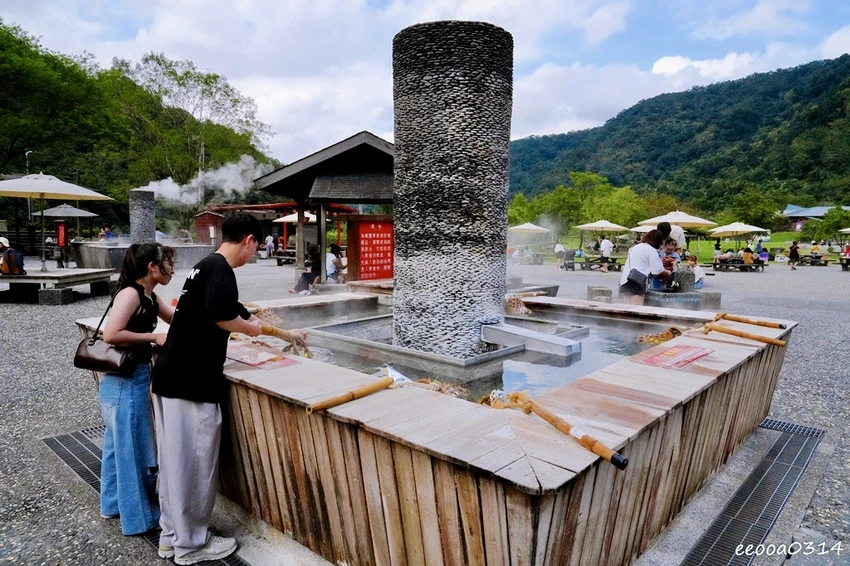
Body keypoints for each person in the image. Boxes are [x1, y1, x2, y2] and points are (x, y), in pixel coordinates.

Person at [151, 213, 307, 564]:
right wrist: (251, 330)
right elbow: (225, 317)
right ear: (249, 240)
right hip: (192, 382)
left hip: (171, 376)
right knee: (193, 466)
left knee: (174, 465)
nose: (254, 254)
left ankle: (171, 537)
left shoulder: (205, 267)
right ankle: (191, 545)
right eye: (257, 246)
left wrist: (287, 334)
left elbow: (241, 313)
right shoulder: (221, 269)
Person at [100, 242, 176, 536]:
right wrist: (152, 337)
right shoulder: (131, 293)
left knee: (116, 448)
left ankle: (112, 505)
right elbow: (111, 334)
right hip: (125, 381)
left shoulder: (149, 295)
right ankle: (140, 520)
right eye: (168, 263)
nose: (172, 269)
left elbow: (175, 319)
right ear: (152, 267)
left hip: (126, 380)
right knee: (134, 452)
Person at [619, 229, 671, 305]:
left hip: (626, 280)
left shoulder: (636, 247)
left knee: (627, 308)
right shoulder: (651, 250)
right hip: (637, 282)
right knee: (637, 309)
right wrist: (668, 273)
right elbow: (657, 270)